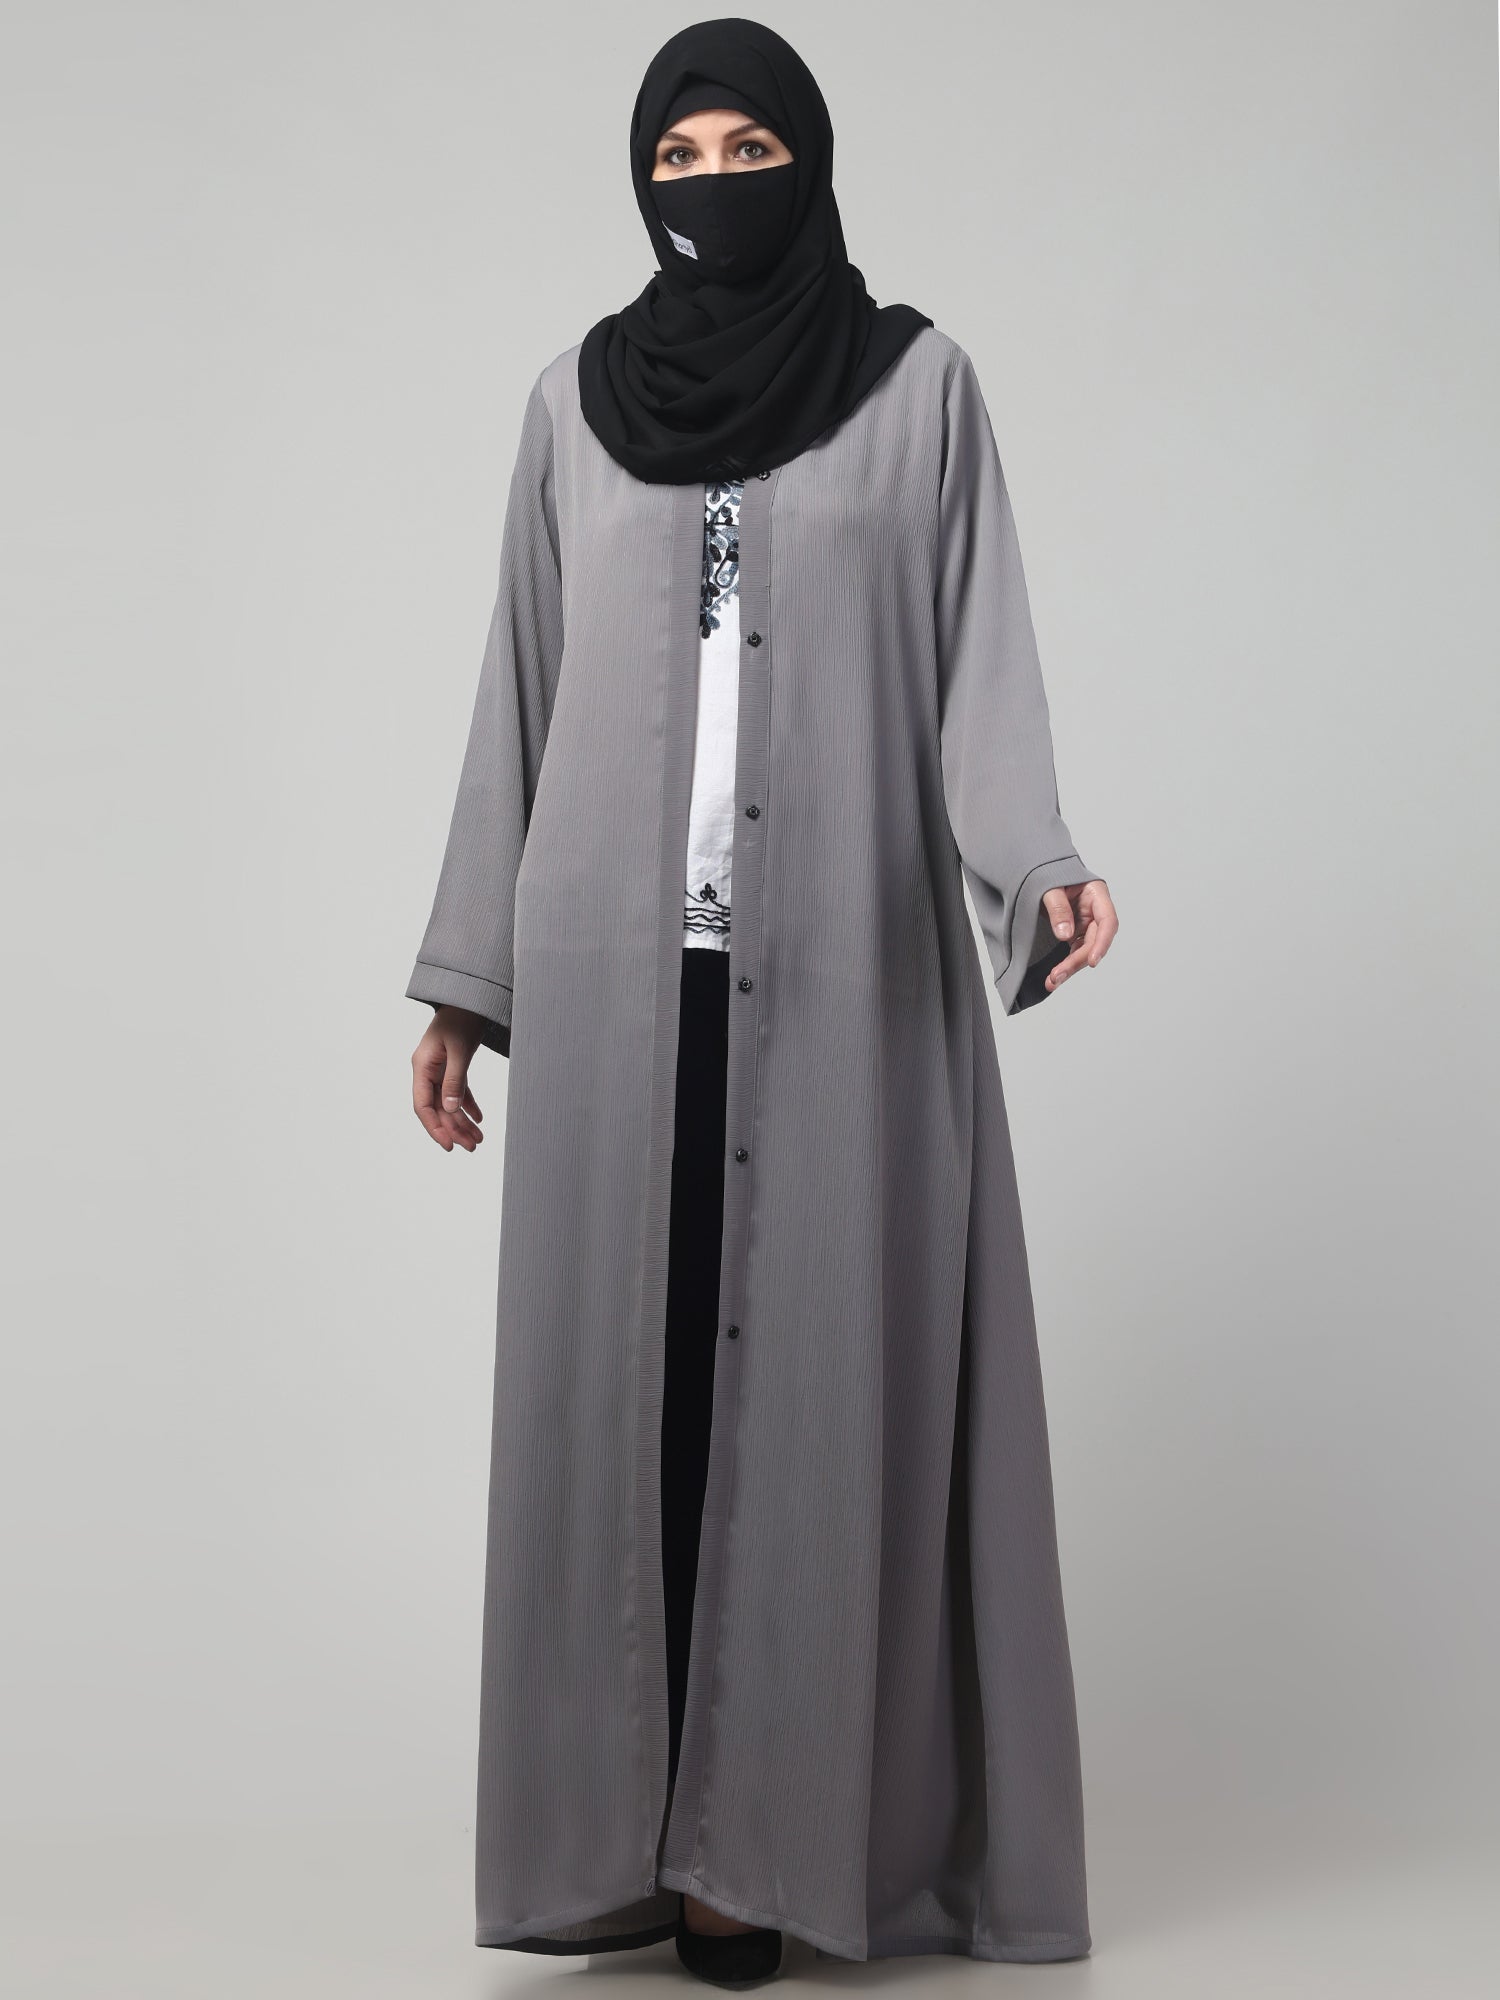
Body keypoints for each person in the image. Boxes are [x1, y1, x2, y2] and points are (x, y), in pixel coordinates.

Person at [406, 15, 1118, 1986]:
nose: (713, 181)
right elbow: (520, 687)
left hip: (847, 972)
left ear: (810, 160)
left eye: (747, 147)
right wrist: (466, 985)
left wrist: (1038, 860)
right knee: (629, 1400)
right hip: (613, 983)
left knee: (805, 1406)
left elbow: (979, 661)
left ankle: (761, 1853)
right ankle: (622, 1839)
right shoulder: (574, 402)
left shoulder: (915, 386)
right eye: (680, 152)